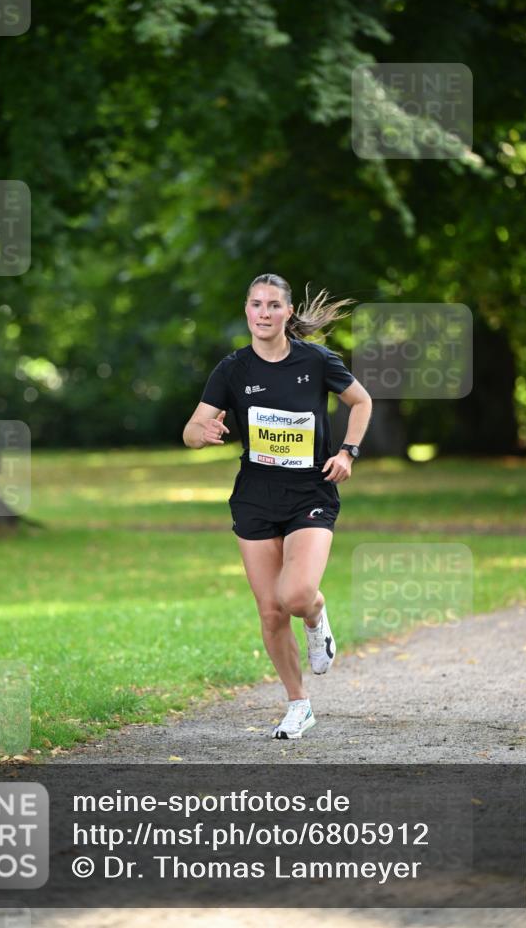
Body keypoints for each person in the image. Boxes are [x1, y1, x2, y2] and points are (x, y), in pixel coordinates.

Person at [182, 273, 372, 739]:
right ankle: (298, 704)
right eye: (255, 304)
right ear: (246, 311)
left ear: (288, 313)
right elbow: (191, 428)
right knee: (270, 610)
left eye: (272, 305)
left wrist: (347, 452)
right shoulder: (233, 370)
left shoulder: (316, 360)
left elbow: (361, 401)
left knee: (296, 596)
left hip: (311, 492)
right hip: (255, 496)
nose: (262, 313)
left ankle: (316, 614)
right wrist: (200, 435)